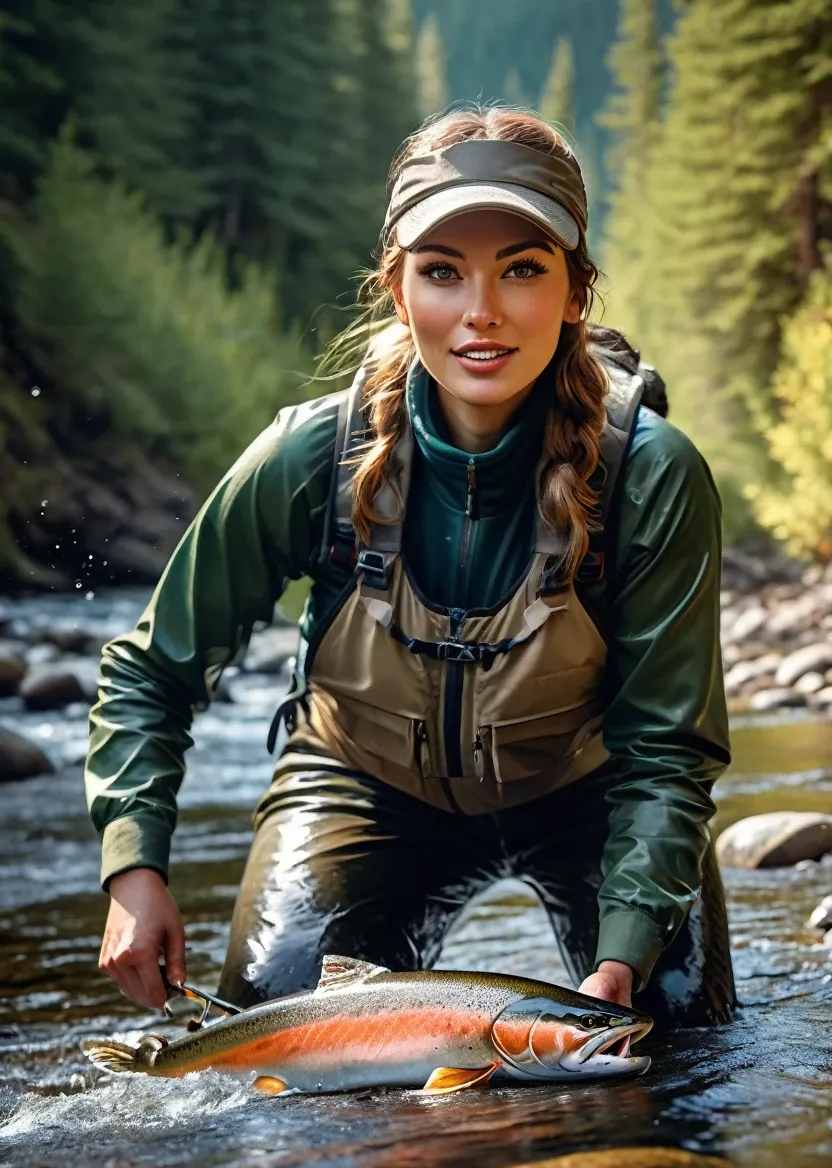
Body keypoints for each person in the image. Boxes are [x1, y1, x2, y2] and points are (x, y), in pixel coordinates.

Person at [87, 105, 736, 1029]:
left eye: (522, 269)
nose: (482, 312)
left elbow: (667, 751)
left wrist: (626, 951)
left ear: (576, 292)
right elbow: (154, 670)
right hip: (364, 786)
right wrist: (134, 866)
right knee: (276, 1032)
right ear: (399, 293)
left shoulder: (651, 472)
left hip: (591, 794)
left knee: (670, 1032)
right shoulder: (308, 458)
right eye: (442, 272)